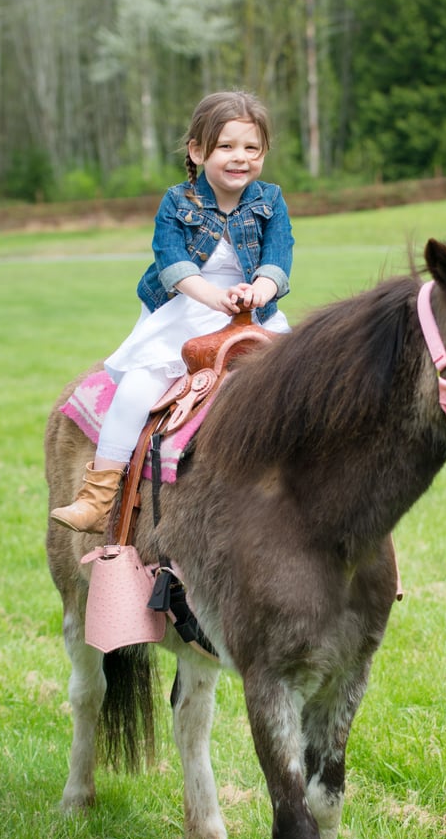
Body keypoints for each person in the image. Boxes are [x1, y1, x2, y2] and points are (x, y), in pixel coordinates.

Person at [51, 90, 294, 534]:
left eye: (251, 148)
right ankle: (99, 494)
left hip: (251, 312)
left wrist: (259, 290)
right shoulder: (178, 202)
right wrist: (212, 297)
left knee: (299, 384)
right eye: (226, 146)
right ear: (198, 151)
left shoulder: (271, 200)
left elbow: (279, 256)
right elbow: (172, 262)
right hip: (185, 306)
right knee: (138, 388)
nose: (240, 158)